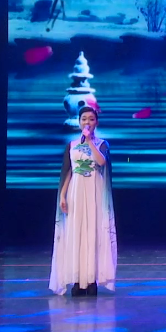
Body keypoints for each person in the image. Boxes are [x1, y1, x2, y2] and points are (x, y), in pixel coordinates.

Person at [49, 106, 117, 296]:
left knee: (93, 232)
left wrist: (89, 142)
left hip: (95, 191)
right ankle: (78, 279)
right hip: (76, 192)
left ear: (96, 122)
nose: (87, 122)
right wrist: (62, 195)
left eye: (91, 119)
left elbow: (101, 162)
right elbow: (68, 172)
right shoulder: (71, 145)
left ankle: (92, 279)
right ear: (79, 122)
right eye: (84, 119)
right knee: (76, 233)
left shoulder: (102, 144)